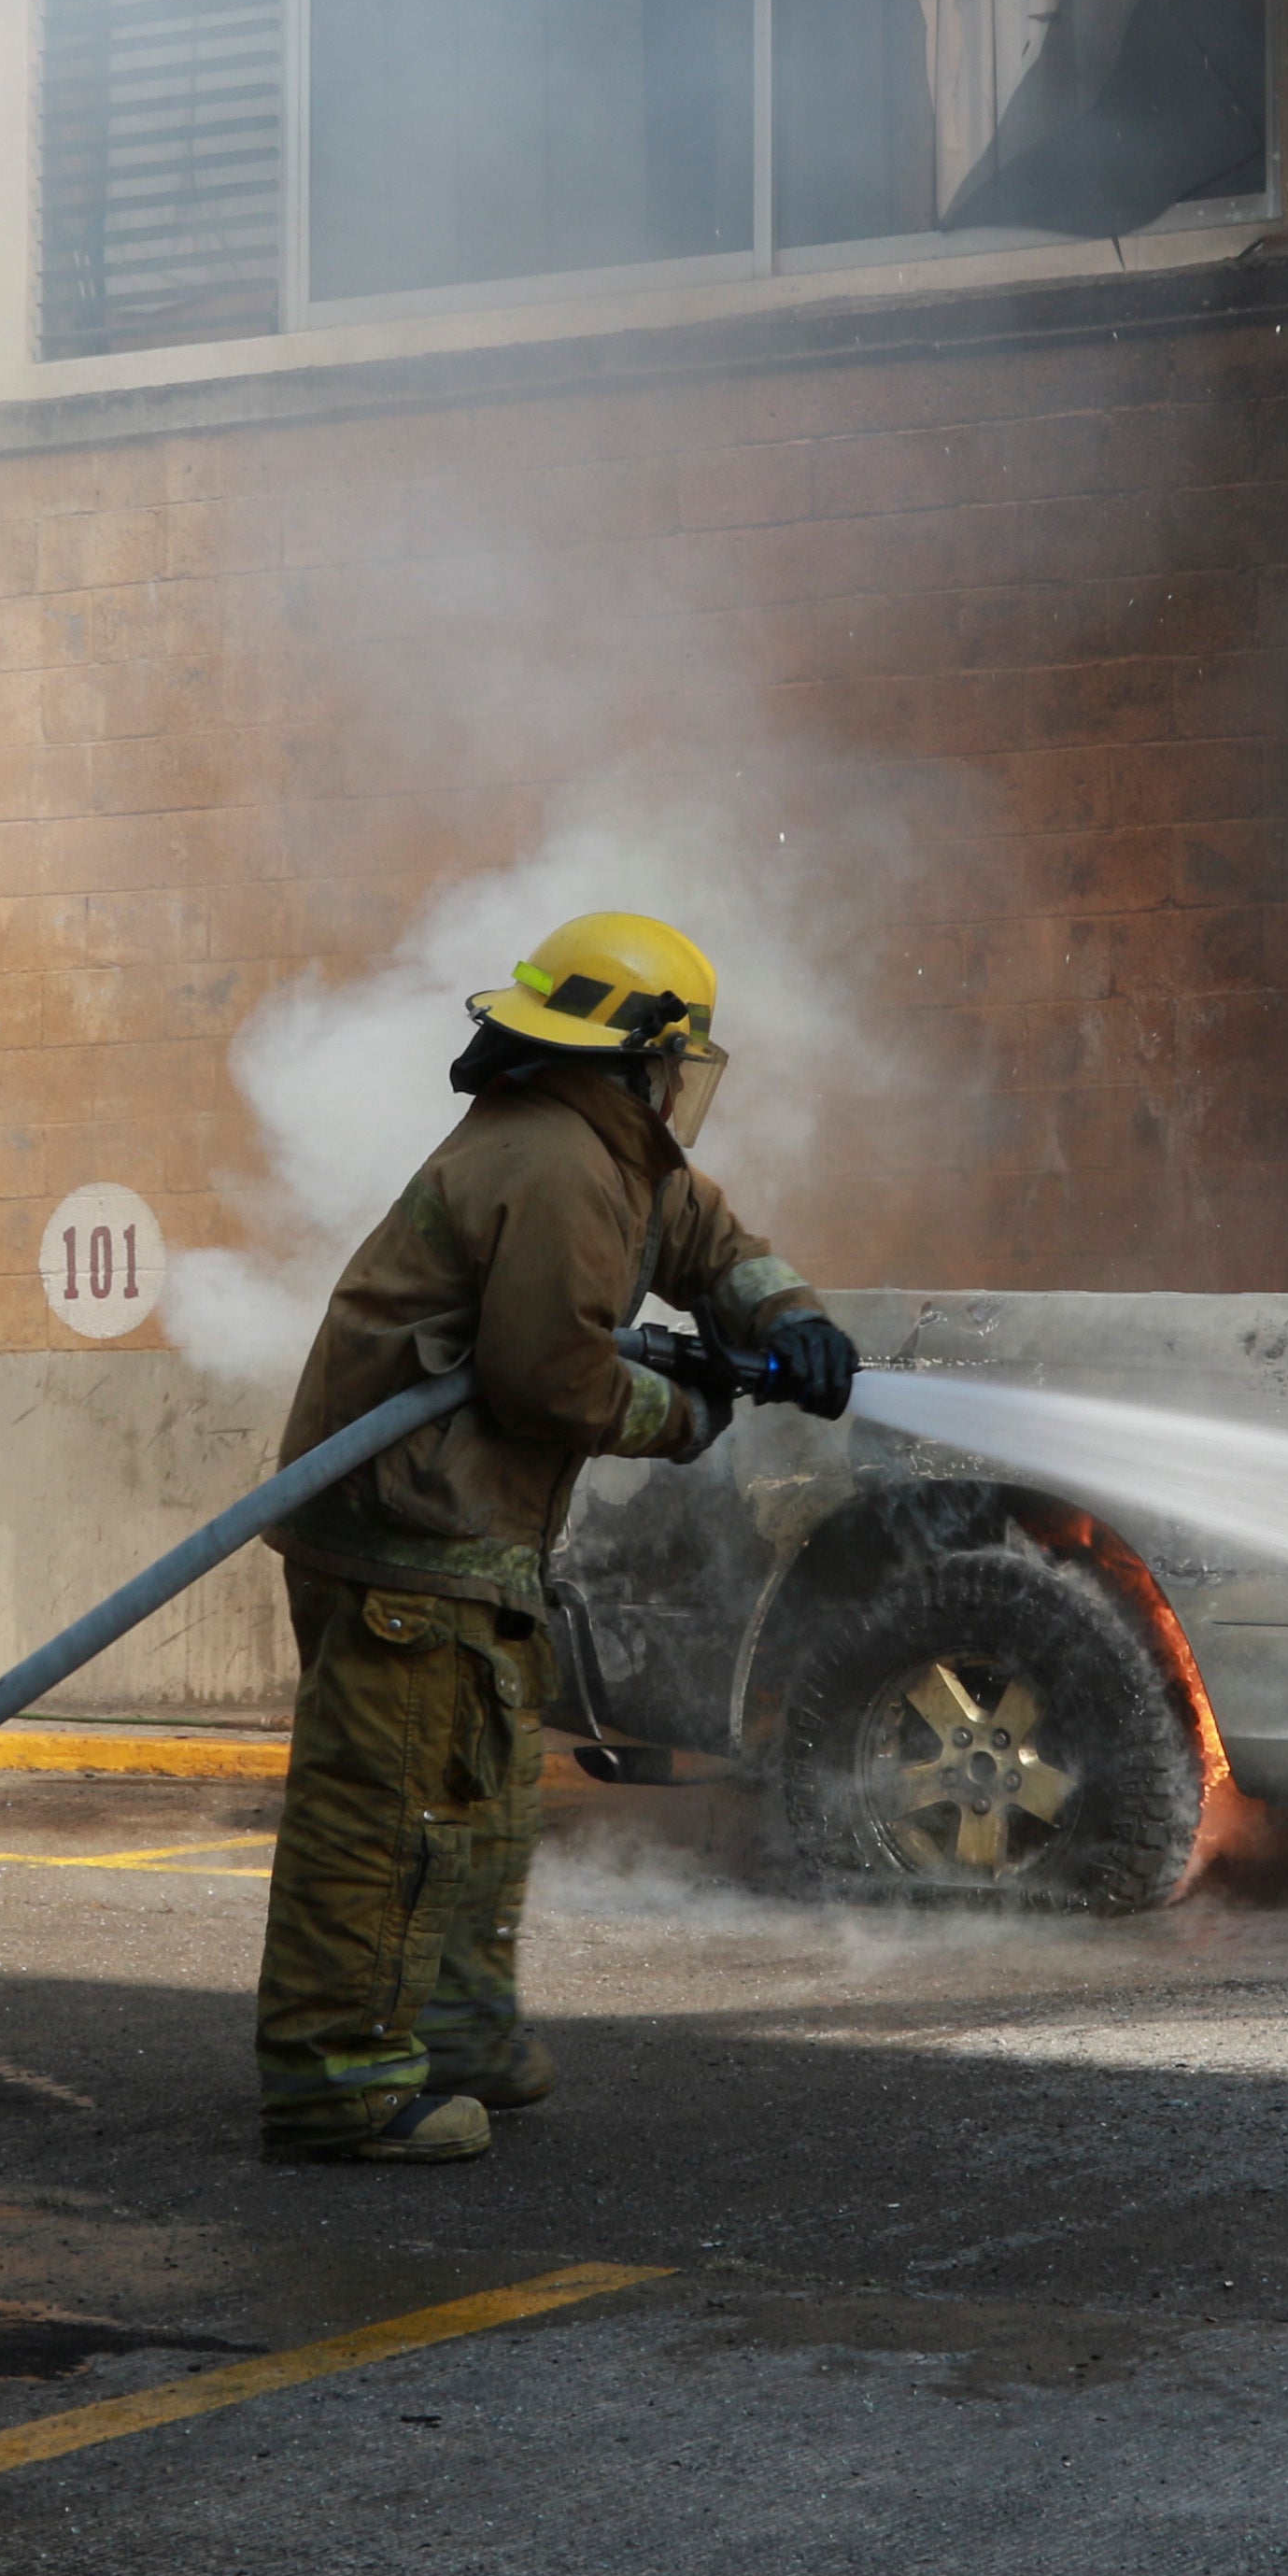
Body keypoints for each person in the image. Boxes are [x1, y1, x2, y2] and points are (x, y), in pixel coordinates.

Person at [255, 913, 856, 2163]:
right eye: (675, 1059)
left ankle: (459, 2034)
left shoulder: (607, 1154)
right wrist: (688, 1409)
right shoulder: (560, 1164)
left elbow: (708, 1241)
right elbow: (546, 1378)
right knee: (390, 1809)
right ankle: (339, 2077)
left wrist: (788, 1316)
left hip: (460, 1529)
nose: (683, 1085)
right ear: (635, 1057)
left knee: (472, 1800)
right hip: (409, 1527)